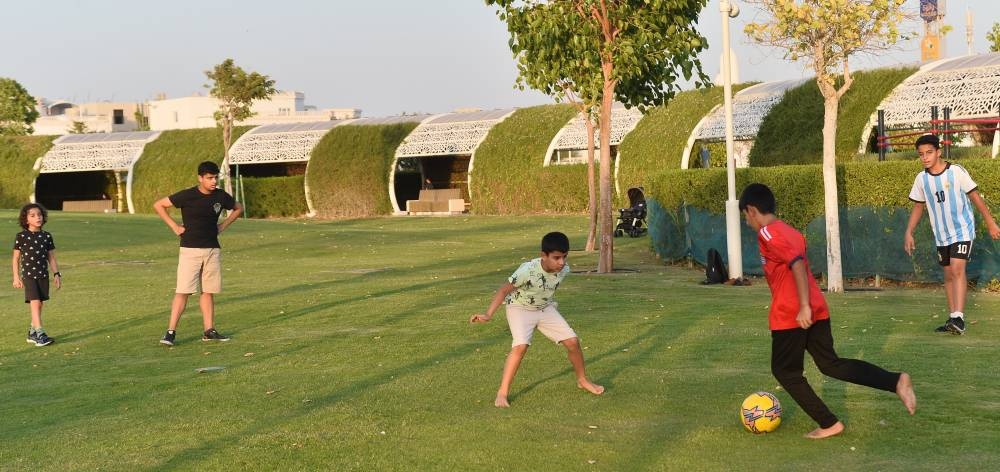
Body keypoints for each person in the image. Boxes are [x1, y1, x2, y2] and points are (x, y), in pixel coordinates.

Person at [739, 183, 916, 439]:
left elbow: (797, 264)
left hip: (793, 313)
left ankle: (829, 423)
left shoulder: (767, 233)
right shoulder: (790, 231)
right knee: (830, 364)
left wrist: (802, 307)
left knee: (785, 372)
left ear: (752, 210)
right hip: (817, 307)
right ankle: (896, 381)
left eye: (746, 216)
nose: (747, 222)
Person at [470, 231, 604, 408]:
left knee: (573, 341)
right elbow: (504, 290)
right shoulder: (527, 271)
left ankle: (582, 380)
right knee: (520, 346)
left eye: (564, 257)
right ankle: (502, 393)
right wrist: (488, 315)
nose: (562, 262)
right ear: (543, 255)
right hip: (519, 308)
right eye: (556, 258)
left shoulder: (564, 269)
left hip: (544, 308)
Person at [903, 133, 1000, 335]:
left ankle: (959, 318)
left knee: (957, 269)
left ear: (938, 152)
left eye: (929, 152)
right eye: (921, 154)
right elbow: (918, 207)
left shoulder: (955, 172)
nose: (925, 157)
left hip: (962, 230)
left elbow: (975, 197)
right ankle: (953, 318)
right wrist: (909, 232)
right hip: (941, 234)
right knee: (948, 274)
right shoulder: (921, 179)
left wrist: (991, 223)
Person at [154, 161, 243, 346]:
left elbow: (238, 208)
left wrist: (223, 226)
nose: (213, 181)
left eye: (215, 177)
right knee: (183, 291)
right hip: (190, 250)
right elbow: (159, 205)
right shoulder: (187, 195)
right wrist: (174, 227)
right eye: (209, 178)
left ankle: (209, 331)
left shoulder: (220, 196)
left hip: (212, 249)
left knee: (208, 291)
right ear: (200, 178)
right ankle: (170, 333)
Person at [12, 203, 61, 347]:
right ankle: (40, 333)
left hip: (43, 275)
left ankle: (32, 332)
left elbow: (51, 257)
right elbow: (15, 258)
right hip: (28, 275)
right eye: (33, 215)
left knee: (40, 303)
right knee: (34, 302)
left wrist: (57, 274)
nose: (37, 217)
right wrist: (16, 276)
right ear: (26, 219)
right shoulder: (21, 236)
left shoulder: (46, 236)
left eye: (39, 215)